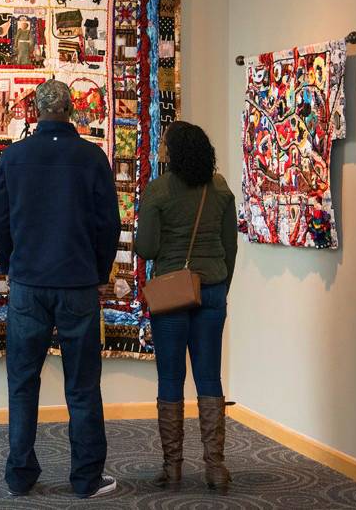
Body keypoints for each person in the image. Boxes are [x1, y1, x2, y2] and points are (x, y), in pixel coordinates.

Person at [0, 79, 121, 499]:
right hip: (78, 284)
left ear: (35, 111)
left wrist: (12, 266)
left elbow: (0, 222)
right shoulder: (92, 158)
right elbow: (109, 225)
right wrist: (98, 271)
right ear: (72, 111)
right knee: (82, 386)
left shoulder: (13, 157)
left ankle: (20, 475)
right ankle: (85, 478)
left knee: (22, 383)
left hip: (28, 284)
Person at [134, 121, 238, 494]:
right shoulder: (221, 189)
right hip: (211, 290)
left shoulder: (158, 190)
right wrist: (220, 285)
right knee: (210, 378)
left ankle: (172, 468)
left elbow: (146, 247)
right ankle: (216, 469)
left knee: (170, 378)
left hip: (172, 294)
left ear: (173, 152)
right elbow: (231, 247)